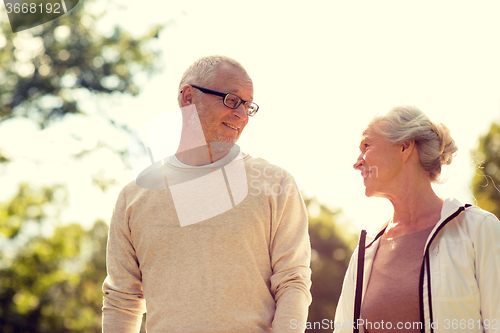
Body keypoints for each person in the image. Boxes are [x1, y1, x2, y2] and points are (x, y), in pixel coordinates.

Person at [102, 55, 312, 333]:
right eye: (232, 100)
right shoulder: (134, 196)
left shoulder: (275, 183)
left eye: (249, 107)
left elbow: (293, 283)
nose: (242, 115)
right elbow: (122, 300)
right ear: (188, 98)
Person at [333, 105, 500, 333]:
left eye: (366, 146)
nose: (357, 162)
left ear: (404, 146)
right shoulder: (365, 252)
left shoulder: (478, 230)